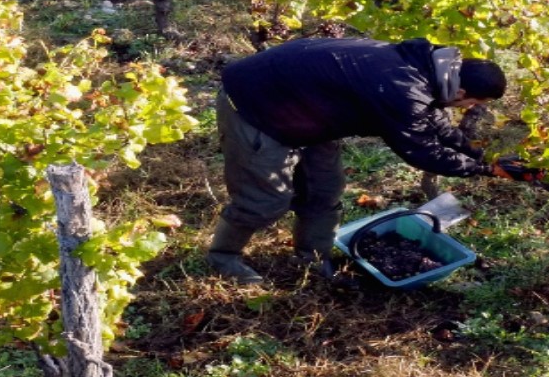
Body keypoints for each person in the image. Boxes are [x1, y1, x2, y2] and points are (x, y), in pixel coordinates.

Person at [207, 36, 528, 284]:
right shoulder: (403, 89)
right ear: (461, 93)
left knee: (325, 188)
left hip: (306, 110)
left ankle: (312, 257)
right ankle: (222, 256)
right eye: (472, 103)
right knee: (265, 200)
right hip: (256, 106)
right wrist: (484, 170)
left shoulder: (430, 70)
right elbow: (422, 150)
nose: (466, 109)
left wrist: (479, 156)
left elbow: (437, 124)